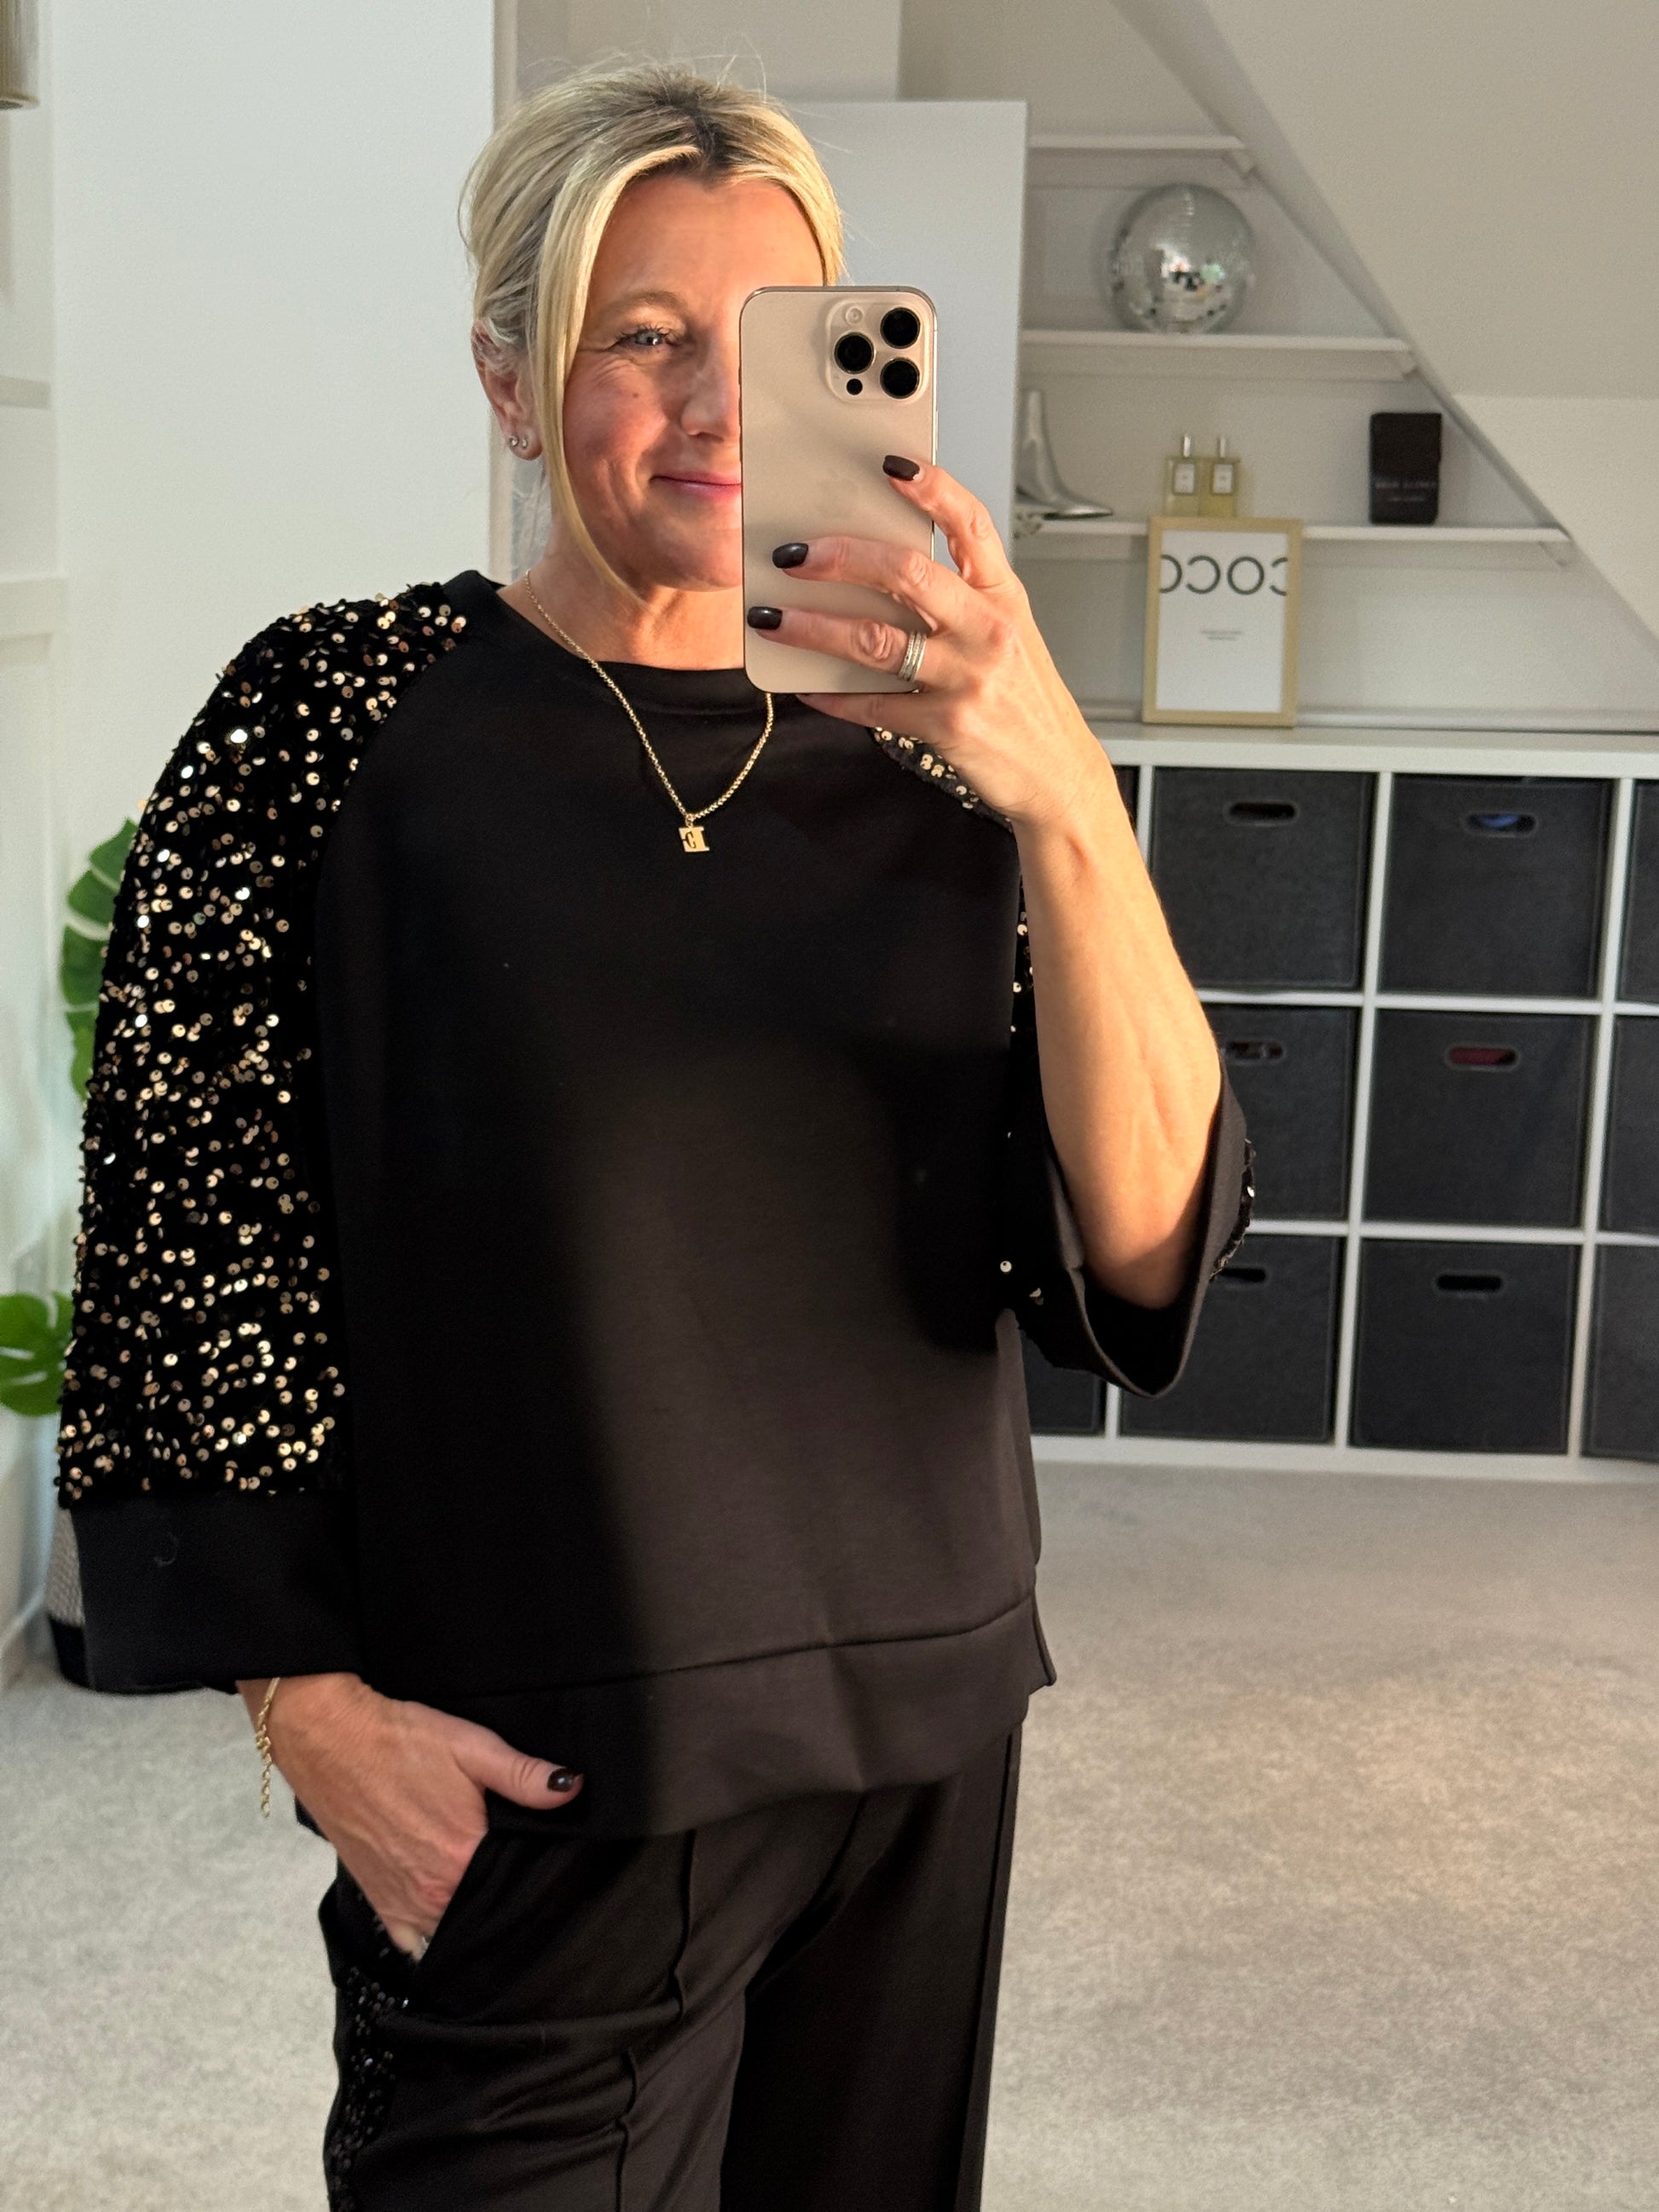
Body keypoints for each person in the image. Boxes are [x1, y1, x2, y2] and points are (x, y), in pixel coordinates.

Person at [55, 59, 1252, 2212]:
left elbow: (1143, 1247)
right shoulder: (334, 725)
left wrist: (1063, 789)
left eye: (774, 339)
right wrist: (305, 1704)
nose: (714, 404)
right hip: (546, 1762)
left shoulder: (944, 754)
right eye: (641, 335)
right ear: (509, 382)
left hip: (918, 1727)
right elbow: (193, 1230)